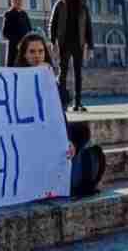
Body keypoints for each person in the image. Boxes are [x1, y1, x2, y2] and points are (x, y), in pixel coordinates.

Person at [14, 32, 105, 197]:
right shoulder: (15, 80)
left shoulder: (48, 76)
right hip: (32, 135)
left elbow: (62, 105)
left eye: (41, 51)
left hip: (52, 131)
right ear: (24, 55)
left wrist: (68, 141)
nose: (37, 56)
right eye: (32, 52)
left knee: (82, 130)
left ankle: (74, 162)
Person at [48, 0, 94, 112]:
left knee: (78, 73)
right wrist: (52, 41)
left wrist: (90, 46)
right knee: (63, 73)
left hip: (78, 43)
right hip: (64, 43)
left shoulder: (82, 4)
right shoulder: (60, 3)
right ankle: (62, 102)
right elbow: (52, 23)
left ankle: (78, 102)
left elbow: (88, 25)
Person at [1, 0, 32, 66]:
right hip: (13, 49)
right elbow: (5, 33)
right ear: (11, 1)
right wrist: (17, 42)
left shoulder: (24, 14)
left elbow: (29, 30)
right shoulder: (8, 14)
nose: (18, 1)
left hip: (25, 48)